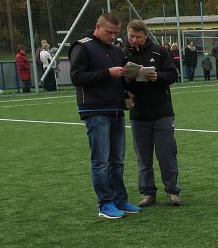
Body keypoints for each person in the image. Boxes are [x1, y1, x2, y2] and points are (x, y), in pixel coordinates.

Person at [69, 13, 142, 219]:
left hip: (116, 109)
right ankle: (105, 204)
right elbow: (76, 77)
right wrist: (107, 73)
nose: (112, 37)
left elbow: (120, 80)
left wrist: (130, 76)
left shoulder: (116, 50)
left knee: (117, 160)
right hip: (95, 110)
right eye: (109, 32)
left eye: (116, 33)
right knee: (101, 161)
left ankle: (120, 200)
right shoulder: (82, 46)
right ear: (97, 27)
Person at [123, 19, 182, 209]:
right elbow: (120, 84)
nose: (133, 40)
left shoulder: (159, 51)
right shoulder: (123, 54)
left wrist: (158, 77)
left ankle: (172, 191)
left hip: (162, 113)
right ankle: (148, 193)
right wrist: (128, 79)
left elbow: (173, 75)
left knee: (167, 154)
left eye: (138, 37)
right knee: (143, 157)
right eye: (131, 36)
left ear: (145, 36)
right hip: (138, 115)